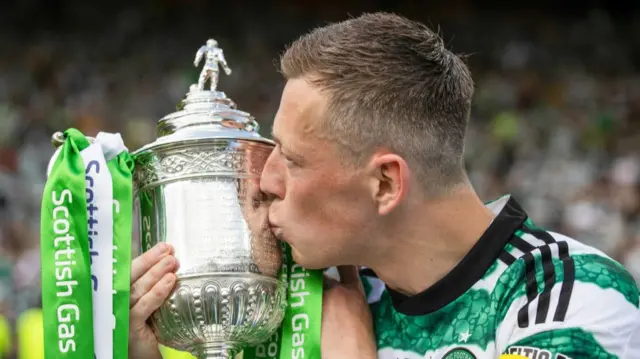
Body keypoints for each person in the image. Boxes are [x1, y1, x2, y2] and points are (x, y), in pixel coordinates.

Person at [128, 12, 640, 359]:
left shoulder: (568, 300)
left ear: (385, 182)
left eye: (294, 159)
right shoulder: (301, 304)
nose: (265, 179)